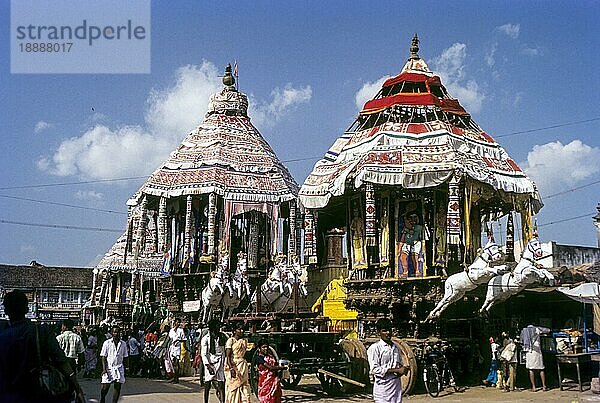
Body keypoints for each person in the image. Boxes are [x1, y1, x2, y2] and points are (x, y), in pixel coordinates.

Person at [0, 290, 85, 403]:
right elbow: (61, 362)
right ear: (26, 309)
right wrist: (77, 388)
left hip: (7, 395)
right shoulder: (40, 332)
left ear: (6, 310)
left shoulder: (3, 336)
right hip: (36, 393)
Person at [367, 318, 409, 403]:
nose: (388, 333)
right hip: (382, 389)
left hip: (396, 387)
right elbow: (375, 370)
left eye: (389, 330)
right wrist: (396, 370)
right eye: (384, 331)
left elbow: (399, 365)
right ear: (379, 332)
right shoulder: (375, 348)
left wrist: (403, 369)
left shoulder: (396, 347)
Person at [100, 325, 129, 403]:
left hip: (119, 367)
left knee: (117, 387)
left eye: (118, 332)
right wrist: (104, 369)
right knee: (105, 387)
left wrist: (127, 368)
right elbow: (103, 356)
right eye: (115, 332)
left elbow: (126, 357)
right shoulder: (107, 343)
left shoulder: (123, 344)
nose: (117, 334)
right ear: (112, 333)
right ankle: (102, 399)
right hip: (108, 368)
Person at [201, 319, 227, 403]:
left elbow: (224, 350)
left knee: (221, 384)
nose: (218, 328)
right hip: (210, 363)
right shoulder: (206, 339)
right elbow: (204, 354)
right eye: (217, 327)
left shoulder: (222, 337)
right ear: (212, 328)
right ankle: (206, 401)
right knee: (207, 384)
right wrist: (208, 366)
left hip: (220, 362)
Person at [255, 339, 287, 403]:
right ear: (259, 348)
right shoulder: (259, 358)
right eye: (263, 347)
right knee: (266, 399)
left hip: (273, 381)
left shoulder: (271, 357)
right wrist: (283, 368)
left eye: (266, 347)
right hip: (264, 382)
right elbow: (270, 368)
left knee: (275, 398)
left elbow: (276, 365)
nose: (266, 349)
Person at [225, 323, 251, 403]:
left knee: (244, 386)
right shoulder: (230, 340)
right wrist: (231, 368)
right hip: (233, 365)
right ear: (234, 331)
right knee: (234, 387)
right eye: (239, 329)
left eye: (242, 329)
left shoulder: (244, 341)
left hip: (242, 365)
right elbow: (228, 356)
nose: (242, 331)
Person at [521, 324, 550, 391]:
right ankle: (544, 386)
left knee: (531, 369)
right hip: (537, 351)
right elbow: (548, 330)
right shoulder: (537, 329)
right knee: (541, 368)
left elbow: (521, 340)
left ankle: (534, 387)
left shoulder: (524, 331)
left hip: (529, 352)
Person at [168, 318, 186, 383]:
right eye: (177, 322)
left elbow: (184, 339)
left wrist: (178, 341)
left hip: (178, 348)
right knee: (173, 363)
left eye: (179, 322)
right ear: (175, 322)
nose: (178, 324)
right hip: (172, 347)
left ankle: (176, 378)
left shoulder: (181, 330)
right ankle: (174, 377)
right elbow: (169, 339)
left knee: (176, 363)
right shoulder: (171, 330)